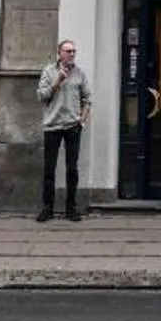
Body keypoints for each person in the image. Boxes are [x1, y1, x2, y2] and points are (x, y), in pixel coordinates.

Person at [36, 37, 90, 222]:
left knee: (72, 169)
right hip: (52, 126)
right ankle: (47, 208)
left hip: (72, 127)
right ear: (60, 54)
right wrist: (57, 81)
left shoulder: (80, 73)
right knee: (49, 169)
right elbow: (42, 96)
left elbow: (87, 98)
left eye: (74, 51)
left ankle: (71, 208)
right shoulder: (49, 71)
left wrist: (82, 119)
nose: (72, 54)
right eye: (68, 51)